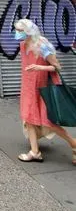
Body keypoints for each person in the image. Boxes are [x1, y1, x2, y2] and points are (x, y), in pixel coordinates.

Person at [15, 18, 76, 164]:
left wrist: (39, 67)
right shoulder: (23, 45)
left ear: (28, 31)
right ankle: (35, 152)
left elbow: (57, 67)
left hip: (43, 89)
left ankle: (74, 143)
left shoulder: (42, 45)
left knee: (48, 121)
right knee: (28, 118)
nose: (17, 33)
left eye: (19, 31)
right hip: (28, 87)